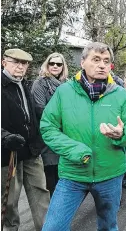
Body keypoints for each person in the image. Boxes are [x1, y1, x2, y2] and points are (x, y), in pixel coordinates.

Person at [40, 42, 126, 230]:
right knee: (53, 227)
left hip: (110, 174)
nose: (102, 65)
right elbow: (48, 127)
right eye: (96, 60)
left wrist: (122, 134)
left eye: (106, 61)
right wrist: (76, 150)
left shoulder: (120, 95)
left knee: (108, 225)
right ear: (83, 62)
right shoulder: (65, 92)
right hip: (73, 173)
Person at [1, 48, 49, 231]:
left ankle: (47, 228)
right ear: (4, 62)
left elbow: (32, 114)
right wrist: (5, 136)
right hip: (8, 153)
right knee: (10, 200)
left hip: (31, 149)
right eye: (16, 62)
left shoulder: (25, 84)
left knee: (40, 192)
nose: (20, 67)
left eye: (24, 63)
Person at [31, 52, 69, 196]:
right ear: (47, 65)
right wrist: (64, 118)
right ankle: (52, 210)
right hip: (48, 135)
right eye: (52, 63)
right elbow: (40, 109)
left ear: (62, 66)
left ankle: (63, 206)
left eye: (58, 64)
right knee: (50, 176)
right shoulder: (40, 83)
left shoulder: (68, 84)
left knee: (64, 173)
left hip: (66, 134)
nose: (55, 66)